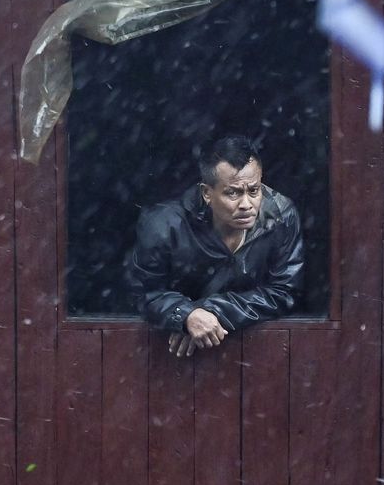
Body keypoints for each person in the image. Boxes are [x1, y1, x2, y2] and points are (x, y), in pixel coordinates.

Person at [121, 134, 305, 357]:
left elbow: (284, 291)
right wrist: (185, 316)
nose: (247, 204)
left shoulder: (281, 216)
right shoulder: (164, 224)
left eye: (254, 190)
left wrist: (209, 311)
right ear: (207, 193)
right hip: (169, 360)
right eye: (233, 193)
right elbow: (141, 292)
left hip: (258, 356)